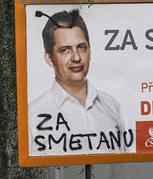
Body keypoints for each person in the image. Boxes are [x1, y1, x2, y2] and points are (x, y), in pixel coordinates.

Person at [29, 10, 131, 155]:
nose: (76, 57)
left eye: (81, 47)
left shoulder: (111, 106)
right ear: (49, 58)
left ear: (90, 52)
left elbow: (123, 167)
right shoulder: (32, 116)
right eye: (65, 50)